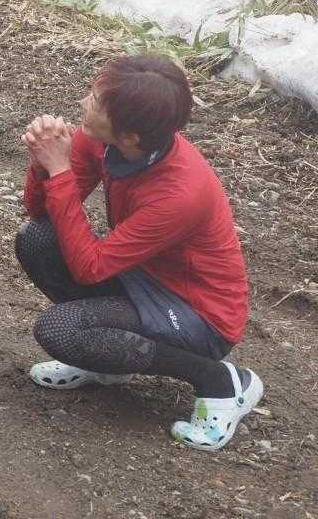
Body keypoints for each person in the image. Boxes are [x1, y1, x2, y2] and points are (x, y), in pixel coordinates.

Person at [17, 54, 262, 450]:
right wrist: (42, 165)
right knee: (37, 239)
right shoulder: (102, 141)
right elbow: (41, 212)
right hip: (141, 276)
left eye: (96, 101)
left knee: (59, 329)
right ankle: (106, 364)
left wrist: (59, 171)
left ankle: (222, 382)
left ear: (130, 136)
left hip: (199, 315)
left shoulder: (180, 194)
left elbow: (89, 268)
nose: (83, 103)